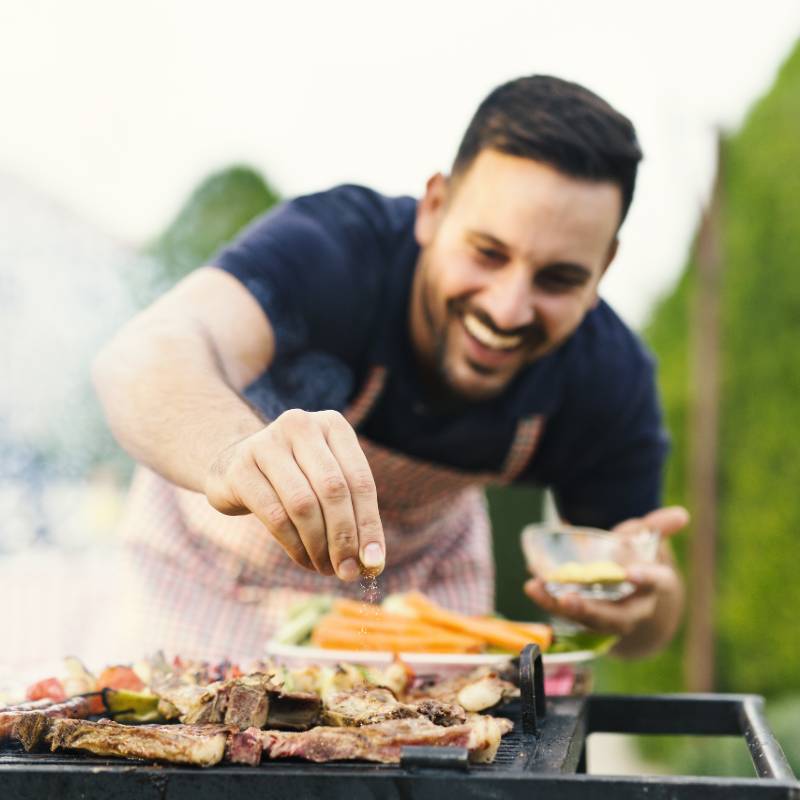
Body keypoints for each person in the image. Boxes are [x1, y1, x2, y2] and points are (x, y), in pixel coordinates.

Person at [93, 75, 687, 663]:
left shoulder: (608, 375)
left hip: (418, 603)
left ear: (603, 266)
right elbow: (142, 357)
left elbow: (648, 627)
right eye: (487, 253)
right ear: (433, 208)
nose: (507, 310)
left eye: (559, 279)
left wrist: (638, 607)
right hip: (207, 580)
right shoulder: (337, 248)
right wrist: (232, 456)